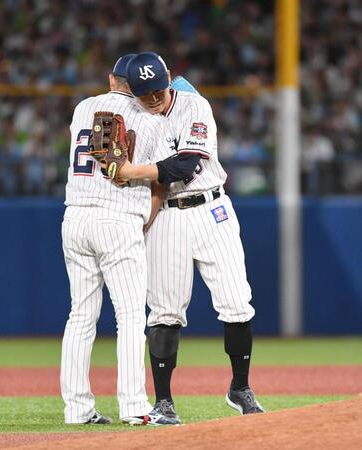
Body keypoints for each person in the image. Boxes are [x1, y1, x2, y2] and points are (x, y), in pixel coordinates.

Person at [119, 52, 265, 422]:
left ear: (168, 77)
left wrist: (130, 171)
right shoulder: (132, 117)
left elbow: (186, 165)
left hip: (212, 209)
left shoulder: (194, 104)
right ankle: (164, 402)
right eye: (143, 93)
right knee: (165, 311)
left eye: (157, 89)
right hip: (167, 216)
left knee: (236, 301)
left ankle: (241, 388)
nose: (153, 98)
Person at [60, 53, 178, 426]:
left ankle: (77, 409)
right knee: (128, 316)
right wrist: (146, 217)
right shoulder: (151, 119)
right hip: (118, 216)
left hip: (75, 215)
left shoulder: (83, 108)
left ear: (114, 80)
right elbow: (160, 178)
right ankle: (134, 406)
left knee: (80, 315)